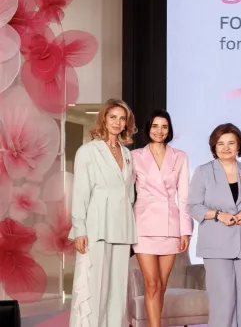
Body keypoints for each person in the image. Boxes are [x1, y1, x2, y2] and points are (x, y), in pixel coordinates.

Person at [68, 98, 138, 327]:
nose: (117, 122)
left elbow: (129, 195)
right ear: (104, 119)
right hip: (96, 229)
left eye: (122, 118)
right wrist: (80, 229)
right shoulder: (88, 151)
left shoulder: (127, 154)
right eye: (113, 117)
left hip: (122, 228)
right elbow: (81, 193)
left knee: (117, 293)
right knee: (93, 289)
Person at [188, 123, 241, 327]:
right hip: (216, 244)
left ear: (239, 146)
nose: (226, 148)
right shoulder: (203, 171)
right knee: (223, 300)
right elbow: (193, 206)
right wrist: (218, 214)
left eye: (231, 143)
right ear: (214, 146)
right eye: (220, 143)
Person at [131, 109, 193, 327]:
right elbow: (127, 193)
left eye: (164, 127)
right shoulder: (135, 156)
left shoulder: (180, 156)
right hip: (143, 225)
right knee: (151, 283)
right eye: (155, 126)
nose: (159, 131)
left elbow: (184, 197)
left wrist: (185, 231)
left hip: (170, 226)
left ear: (169, 130)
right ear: (148, 128)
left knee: (162, 285)